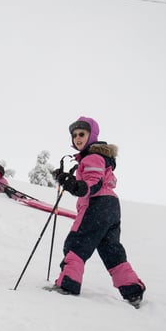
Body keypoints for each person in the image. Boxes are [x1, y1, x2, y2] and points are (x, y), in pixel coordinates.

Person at [49, 116, 146, 306]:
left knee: (77, 243)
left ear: (92, 135)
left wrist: (77, 186)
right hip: (111, 208)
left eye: (82, 134)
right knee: (111, 251)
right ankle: (132, 290)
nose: (77, 138)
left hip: (97, 205)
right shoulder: (98, 157)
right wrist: (69, 181)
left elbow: (93, 182)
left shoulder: (92, 156)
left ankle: (68, 284)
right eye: (74, 135)